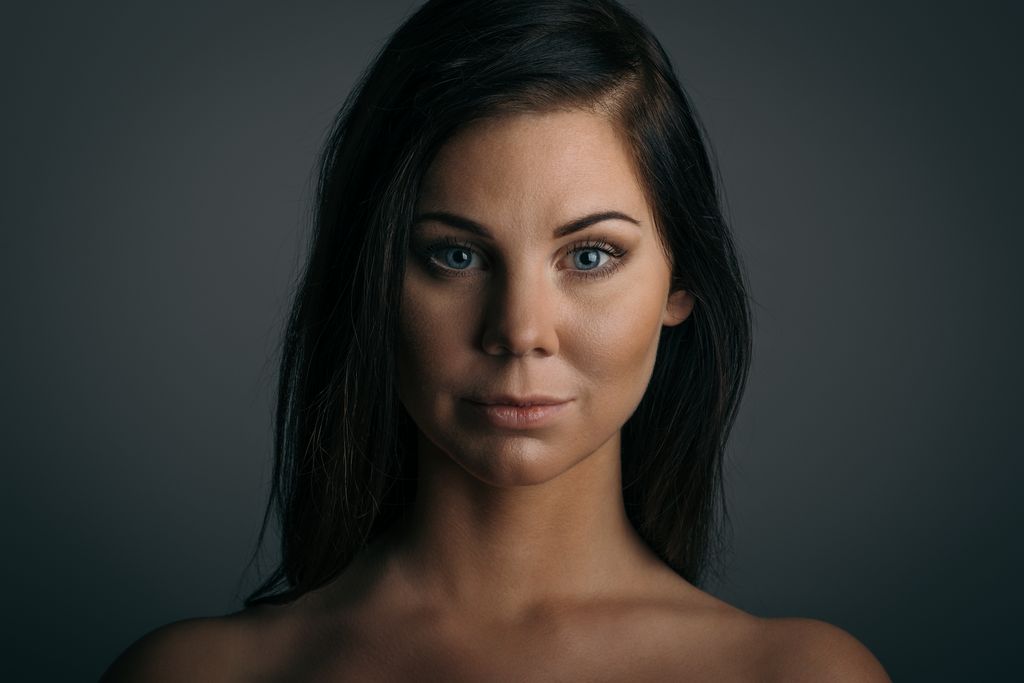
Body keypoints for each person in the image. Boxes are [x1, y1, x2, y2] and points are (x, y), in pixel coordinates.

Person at [102, 0, 891, 679]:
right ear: (372, 278)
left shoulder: (799, 675)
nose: (519, 331)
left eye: (590, 256)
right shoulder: (193, 674)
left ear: (679, 287)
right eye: (455, 254)